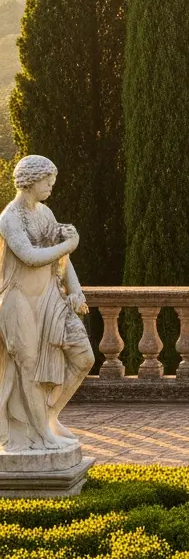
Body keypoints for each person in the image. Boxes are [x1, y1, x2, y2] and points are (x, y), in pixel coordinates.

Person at [0, 155, 93, 452]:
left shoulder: (45, 212)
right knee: (29, 368)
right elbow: (29, 256)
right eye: (47, 180)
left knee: (84, 358)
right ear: (30, 180)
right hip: (20, 301)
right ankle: (39, 432)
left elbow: (61, 258)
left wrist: (75, 290)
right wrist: (69, 244)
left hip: (51, 299)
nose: (52, 185)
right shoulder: (9, 219)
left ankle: (50, 416)